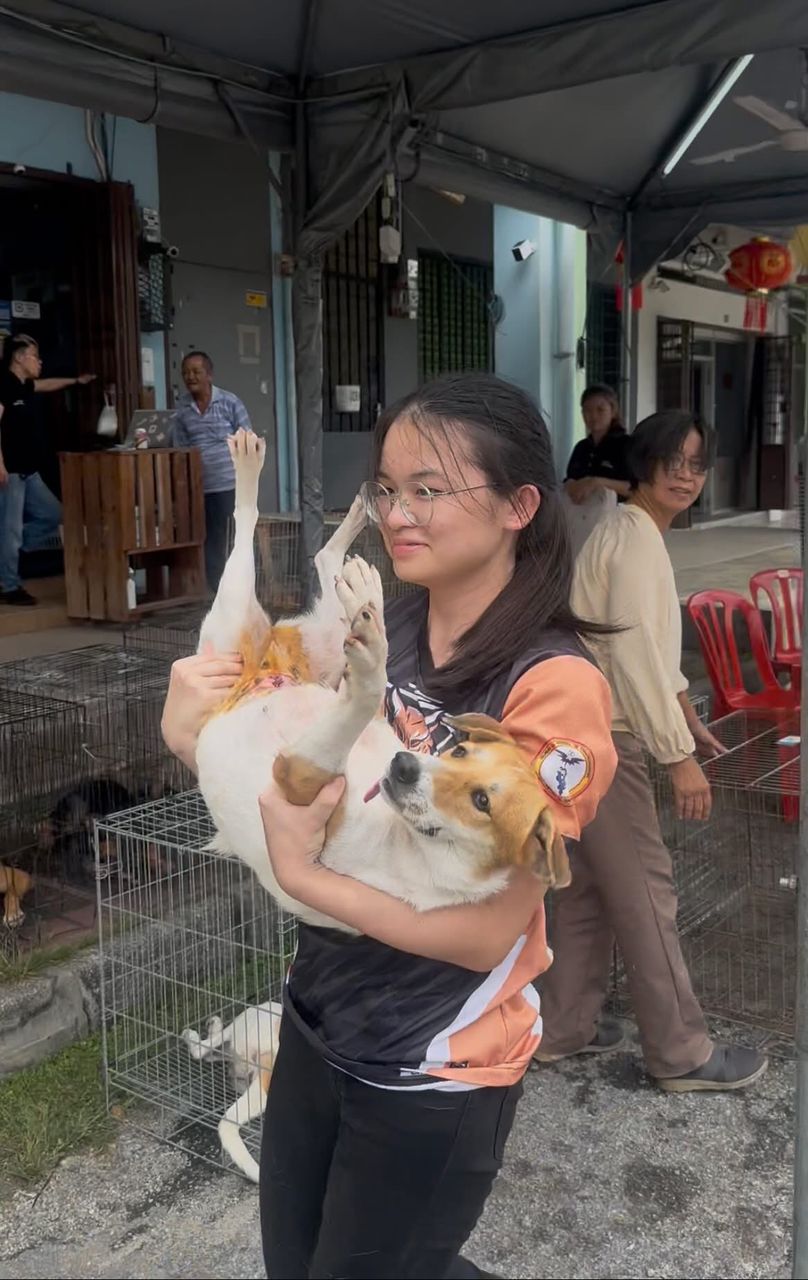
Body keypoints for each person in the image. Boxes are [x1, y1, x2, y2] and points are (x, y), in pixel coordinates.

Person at [161, 372, 618, 1280]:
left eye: (429, 490)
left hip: (430, 1062)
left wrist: (306, 881)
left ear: (520, 506)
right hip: (319, 1010)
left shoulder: (551, 686)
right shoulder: (388, 626)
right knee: (295, 1263)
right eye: (388, 488)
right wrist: (191, 734)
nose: (397, 514)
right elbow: (294, 781)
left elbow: (487, 932)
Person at [536, 409, 768, 1093]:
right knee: (647, 891)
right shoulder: (635, 540)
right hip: (608, 739)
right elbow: (634, 659)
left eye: (697, 464)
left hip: (577, 737)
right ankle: (681, 1053)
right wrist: (677, 756)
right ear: (643, 463)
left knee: (584, 888)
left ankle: (563, 1027)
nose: (686, 476)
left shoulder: (629, 532)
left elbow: (642, 657)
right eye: (673, 461)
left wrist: (682, 719)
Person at [0, 333, 95, 606]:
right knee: (10, 531)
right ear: (19, 358)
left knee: (54, 514)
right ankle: (8, 586)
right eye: (35, 356)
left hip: (29, 471)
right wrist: (0, 465)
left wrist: (76, 381)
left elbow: (47, 384)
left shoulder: (24, 385)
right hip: (10, 472)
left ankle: (9, 551)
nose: (39, 361)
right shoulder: (4, 384)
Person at [172, 350, 252, 592]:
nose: (190, 377)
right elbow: (180, 447)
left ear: (209, 375)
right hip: (199, 488)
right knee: (209, 541)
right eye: (186, 373)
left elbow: (247, 439)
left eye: (196, 372)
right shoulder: (182, 409)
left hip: (230, 484)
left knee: (232, 538)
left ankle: (242, 589)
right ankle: (218, 591)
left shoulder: (229, 402)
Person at [564, 383, 631, 506]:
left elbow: (635, 489)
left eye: (600, 410)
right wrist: (569, 484)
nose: (593, 416)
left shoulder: (627, 445)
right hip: (582, 513)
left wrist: (597, 482)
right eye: (587, 410)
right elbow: (570, 478)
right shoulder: (581, 447)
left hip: (617, 513)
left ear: (613, 411)